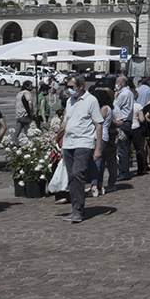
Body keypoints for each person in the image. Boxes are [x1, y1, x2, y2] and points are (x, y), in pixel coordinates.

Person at [54, 76, 103, 224]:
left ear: (80, 86)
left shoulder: (91, 100)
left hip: (84, 142)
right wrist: (61, 146)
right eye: (66, 86)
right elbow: (66, 123)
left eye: (70, 86)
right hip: (69, 143)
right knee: (71, 178)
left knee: (78, 174)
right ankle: (75, 208)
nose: (68, 89)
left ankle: (78, 210)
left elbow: (98, 124)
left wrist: (98, 148)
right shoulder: (70, 101)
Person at [88, 87, 114, 196]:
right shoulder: (109, 108)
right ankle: (100, 184)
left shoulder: (104, 108)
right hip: (104, 136)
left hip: (100, 136)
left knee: (96, 162)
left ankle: (94, 185)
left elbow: (96, 120)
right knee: (101, 162)